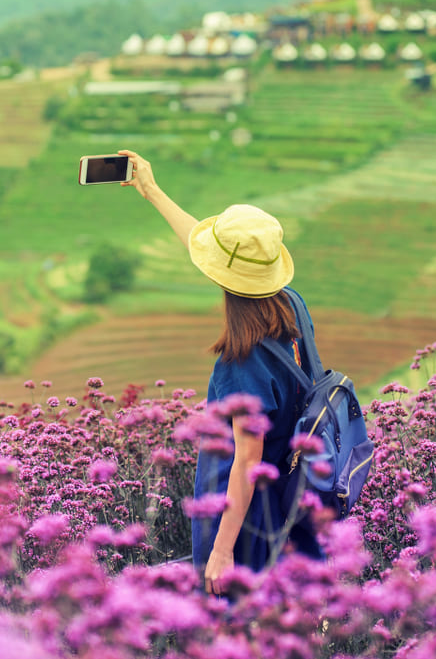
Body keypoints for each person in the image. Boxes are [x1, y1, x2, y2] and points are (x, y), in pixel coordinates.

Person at [117, 149, 323, 595]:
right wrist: (152, 192)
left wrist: (222, 550)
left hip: (247, 516)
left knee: (238, 621)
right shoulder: (292, 304)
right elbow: (206, 247)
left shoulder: (241, 360)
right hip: (291, 498)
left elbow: (247, 464)